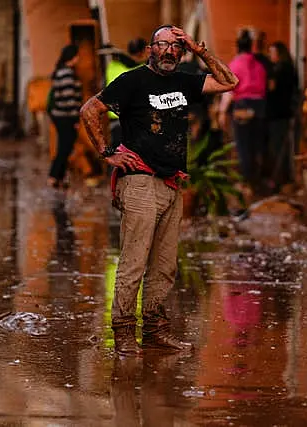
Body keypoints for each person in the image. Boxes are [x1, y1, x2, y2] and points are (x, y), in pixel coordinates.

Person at [80, 25, 238, 355]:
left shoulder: (184, 81)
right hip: (138, 181)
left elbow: (229, 82)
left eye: (175, 47)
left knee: (165, 265)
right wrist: (108, 153)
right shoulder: (132, 81)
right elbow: (90, 109)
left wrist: (200, 50)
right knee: (134, 262)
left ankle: (154, 330)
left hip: (170, 182)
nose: (169, 52)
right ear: (150, 49)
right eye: (162, 45)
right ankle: (123, 332)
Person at [219, 29, 267, 192]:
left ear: (237, 47)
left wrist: (222, 112)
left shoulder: (235, 64)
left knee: (244, 146)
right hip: (260, 107)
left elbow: (229, 92)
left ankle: (247, 183)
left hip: (242, 107)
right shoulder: (260, 66)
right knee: (256, 146)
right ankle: (257, 181)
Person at [102, 38, 149, 150]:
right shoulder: (141, 69)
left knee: (118, 154)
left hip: (114, 118)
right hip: (132, 120)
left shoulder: (112, 66)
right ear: (141, 52)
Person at [47, 45, 82, 189]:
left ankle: (59, 177)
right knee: (65, 147)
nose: (79, 59)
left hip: (59, 115)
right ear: (72, 57)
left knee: (65, 147)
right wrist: (75, 119)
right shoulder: (67, 74)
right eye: (77, 56)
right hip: (65, 116)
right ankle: (54, 176)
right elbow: (70, 99)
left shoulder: (60, 72)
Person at [266, 41, 299, 191]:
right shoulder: (290, 68)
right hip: (286, 112)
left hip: (278, 114)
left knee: (278, 148)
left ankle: (279, 180)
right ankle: (283, 178)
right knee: (283, 147)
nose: (270, 56)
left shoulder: (278, 70)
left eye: (272, 53)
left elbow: (272, 88)